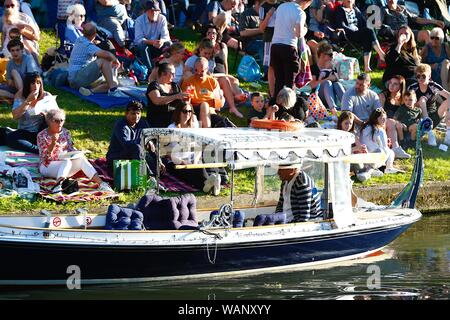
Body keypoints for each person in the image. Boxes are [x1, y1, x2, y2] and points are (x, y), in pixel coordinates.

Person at [37, 108, 114, 193]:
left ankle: (101, 184)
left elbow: (70, 149)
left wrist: (77, 153)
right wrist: (53, 143)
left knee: (81, 159)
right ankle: (57, 186)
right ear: (49, 121)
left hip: (64, 165)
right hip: (47, 166)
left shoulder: (66, 132)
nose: (60, 123)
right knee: (66, 162)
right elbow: (45, 157)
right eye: (56, 121)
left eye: (62, 120)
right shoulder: (42, 135)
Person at [165, 100, 221, 195]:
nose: (188, 114)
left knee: (197, 167)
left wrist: (195, 160)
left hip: (191, 160)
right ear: (178, 112)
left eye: (190, 111)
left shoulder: (194, 126)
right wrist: (181, 161)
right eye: (185, 111)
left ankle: (208, 185)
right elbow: (166, 152)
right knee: (191, 171)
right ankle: (209, 184)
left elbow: (198, 147)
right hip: (175, 161)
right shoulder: (171, 128)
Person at [67, 22, 127, 97]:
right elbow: (107, 55)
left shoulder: (80, 39)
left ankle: (91, 91)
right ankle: (113, 90)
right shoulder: (87, 45)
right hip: (77, 79)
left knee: (113, 82)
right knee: (104, 60)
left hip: (76, 78)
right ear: (95, 34)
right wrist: (116, 60)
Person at [270, 0, 311, 98]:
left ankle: (276, 105)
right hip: (289, 47)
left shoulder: (281, 7)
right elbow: (299, 33)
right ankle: (289, 107)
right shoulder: (300, 12)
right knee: (290, 82)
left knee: (279, 80)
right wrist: (305, 29)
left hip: (275, 46)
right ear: (306, 2)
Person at [333, 0, 385, 73]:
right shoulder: (340, 10)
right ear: (343, 1)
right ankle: (381, 54)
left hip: (359, 33)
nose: (350, 0)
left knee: (368, 35)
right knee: (368, 31)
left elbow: (364, 23)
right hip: (348, 34)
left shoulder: (356, 9)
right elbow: (341, 25)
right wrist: (354, 31)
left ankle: (367, 67)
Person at [5, 73, 51, 154]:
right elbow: (15, 116)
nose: (36, 86)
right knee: (10, 138)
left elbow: (59, 116)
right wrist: (27, 101)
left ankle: (43, 146)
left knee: (54, 131)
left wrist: (47, 115)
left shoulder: (46, 95)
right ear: (27, 85)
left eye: (38, 83)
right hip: (25, 132)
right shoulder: (20, 95)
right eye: (33, 83)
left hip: (42, 131)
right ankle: (39, 150)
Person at [407, 63, 450, 146]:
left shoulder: (433, 86)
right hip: (418, 116)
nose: (420, 78)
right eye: (418, 76)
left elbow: (448, 96)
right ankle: (430, 133)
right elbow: (407, 103)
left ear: (429, 76)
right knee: (422, 100)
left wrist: (448, 116)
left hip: (434, 115)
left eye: (423, 76)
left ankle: (448, 131)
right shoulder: (413, 87)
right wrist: (418, 103)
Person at [106, 100, 154, 171]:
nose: (136, 116)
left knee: (157, 164)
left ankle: (152, 172)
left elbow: (151, 144)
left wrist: (159, 161)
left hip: (136, 156)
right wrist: (144, 141)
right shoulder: (121, 125)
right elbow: (127, 144)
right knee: (137, 147)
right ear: (126, 114)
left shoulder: (143, 124)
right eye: (133, 113)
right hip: (117, 157)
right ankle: (146, 176)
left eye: (138, 113)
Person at [181, 57, 225, 128]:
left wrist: (218, 101)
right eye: (196, 70)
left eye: (202, 71)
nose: (198, 73)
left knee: (225, 124)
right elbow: (186, 102)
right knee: (204, 105)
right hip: (194, 111)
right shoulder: (189, 82)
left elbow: (219, 104)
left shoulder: (213, 82)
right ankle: (206, 131)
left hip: (210, 112)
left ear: (207, 69)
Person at [360, 108, 403, 174]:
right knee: (390, 152)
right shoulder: (379, 130)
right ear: (375, 119)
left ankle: (383, 168)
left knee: (387, 151)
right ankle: (388, 167)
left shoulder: (366, 127)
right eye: (381, 118)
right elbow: (384, 147)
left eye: (385, 118)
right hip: (373, 158)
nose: (384, 120)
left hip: (364, 158)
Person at [379, 0, 444, 44]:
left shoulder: (403, 8)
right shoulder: (383, 10)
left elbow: (417, 19)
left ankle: (428, 59)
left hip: (408, 32)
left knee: (427, 33)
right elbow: (379, 25)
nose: (389, 0)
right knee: (403, 34)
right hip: (395, 34)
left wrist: (435, 21)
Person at [146, 62, 189, 128]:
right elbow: (157, 100)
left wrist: (186, 98)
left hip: (175, 120)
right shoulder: (154, 86)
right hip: (158, 121)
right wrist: (176, 96)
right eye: (172, 74)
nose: (174, 76)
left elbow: (182, 102)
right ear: (163, 73)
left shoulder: (175, 86)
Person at [379, 74, 410, 159]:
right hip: (383, 123)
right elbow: (380, 114)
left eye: (395, 84)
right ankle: (396, 148)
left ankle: (396, 148)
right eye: (390, 83)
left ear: (401, 86)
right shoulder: (383, 96)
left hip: (400, 125)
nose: (391, 85)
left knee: (392, 122)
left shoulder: (404, 98)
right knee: (390, 121)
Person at [134, 0, 172, 71]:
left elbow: (166, 36)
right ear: (146, 12)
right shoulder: (139, 20)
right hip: (145, 45)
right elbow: (139, 39)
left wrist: (162, 41)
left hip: (157, 44)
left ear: (159, 11)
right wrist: (152, 42)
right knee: (142, 46)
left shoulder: (162, 18)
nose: (154, 13)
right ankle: (150, 70)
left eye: (156, 11)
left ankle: (166, 68)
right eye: (152, 11)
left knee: (169, 44)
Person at [308, 41, 344, 115]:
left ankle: (347, 106)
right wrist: (328, 79)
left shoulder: (332, 67)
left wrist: (336, 77)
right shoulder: (314, 68)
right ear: (322, 55)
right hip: (319, 97)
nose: (332, 57)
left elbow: (338, 82)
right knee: (327, 83)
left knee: (337, 84)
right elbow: (312, 85)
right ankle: (333, 110)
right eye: (330, 54)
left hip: (332, 97)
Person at [238, 0, 263, 65]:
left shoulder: (265, 14)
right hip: (250, 43)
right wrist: (260, 30)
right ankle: (266, 71)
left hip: (264, 40)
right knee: (263, 45)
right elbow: (242, 32)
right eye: (263, 5)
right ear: (257, 3)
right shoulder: (246, 14)